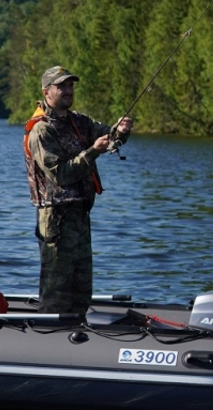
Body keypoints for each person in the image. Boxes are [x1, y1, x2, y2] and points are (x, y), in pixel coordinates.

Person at [23, 66, 132, 318]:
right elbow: (60, 174)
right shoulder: (41, 130)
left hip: (81, 215)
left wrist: (121, 131)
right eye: (61, 86)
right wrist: (93, 152)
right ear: (46, 92)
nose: (68, 90)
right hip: (56, 219)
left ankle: (76, 332)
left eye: (70, 85)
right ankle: (49, 333)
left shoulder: (79, 121)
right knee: (56, 290)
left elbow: (109, 137)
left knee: (81, 289)